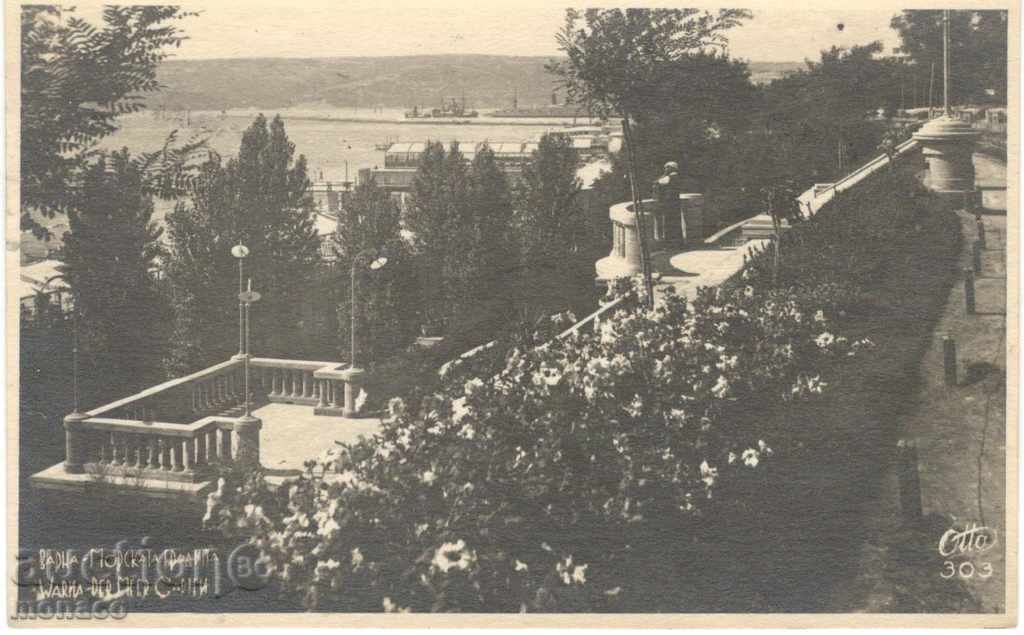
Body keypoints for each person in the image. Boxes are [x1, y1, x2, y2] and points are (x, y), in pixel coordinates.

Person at [652, 161, 684, 246]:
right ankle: (678, 242)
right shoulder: (677, 177)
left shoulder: (670, 177)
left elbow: (657, 182)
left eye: (667, 167)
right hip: (675, 203)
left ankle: (669, 243)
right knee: (676, 223)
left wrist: (664, 175)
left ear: (671, 168)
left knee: (669, 224)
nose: (665, 169)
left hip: (669, 204)